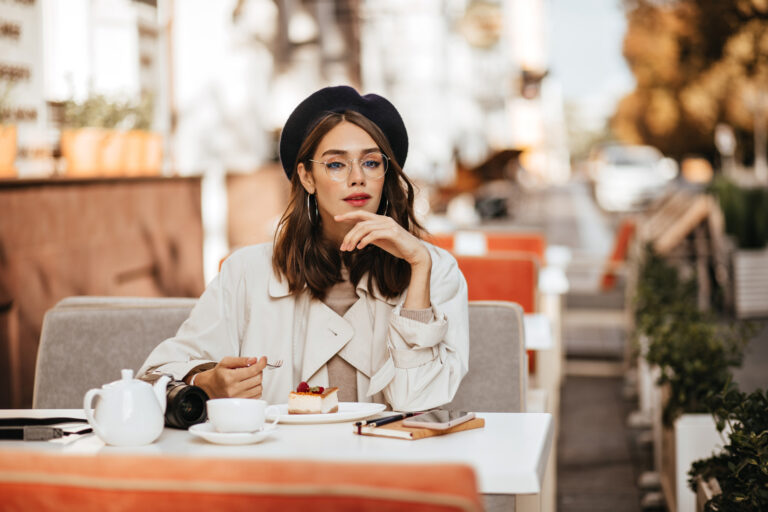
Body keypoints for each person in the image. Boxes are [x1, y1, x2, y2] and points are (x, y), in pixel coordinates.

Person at [138, 86, 469, 412]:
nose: (357, 178)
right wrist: (205, 382)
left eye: (371, 163)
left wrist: (419, 265)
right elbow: (153, 377)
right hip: (281, 463)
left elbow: (417, 402)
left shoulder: (434, 268)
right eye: (336, 165)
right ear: (307, 177)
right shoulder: (246, 271)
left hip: (389, 463)